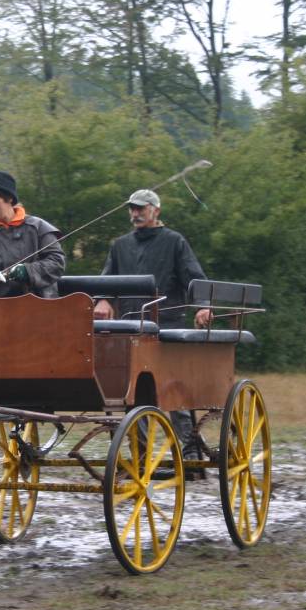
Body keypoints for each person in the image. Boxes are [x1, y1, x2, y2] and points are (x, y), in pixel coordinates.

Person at [93, 188, 211, 455]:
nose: (135, 213)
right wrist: (102, 299)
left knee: (174, 389)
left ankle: (190, 451)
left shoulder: (174, 241)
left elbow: (194, 277)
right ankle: (141, 456)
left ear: (155, 211)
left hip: (166, 325)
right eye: (132, 209)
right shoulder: (120, 245)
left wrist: (203, 306)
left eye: (141, 208)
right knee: (133, 394)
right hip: (129, 328)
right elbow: (106, 280)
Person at [0, 170, 65, 298]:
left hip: (39, 305)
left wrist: (27, 271)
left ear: (9, 198)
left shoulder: (38, 227)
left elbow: (57, 262)